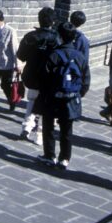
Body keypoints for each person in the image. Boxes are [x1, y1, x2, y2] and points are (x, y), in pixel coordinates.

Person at [36, 23, 90, 169]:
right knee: (67, 130)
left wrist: (47, 93)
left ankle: (50, 156)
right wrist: (76, 94)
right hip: (71, 99)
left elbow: (42, 77)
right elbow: (86, 81)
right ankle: (64, 158)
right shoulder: (80, 57)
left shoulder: (53, 55)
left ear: (60, 36)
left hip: (53, 97)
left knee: (49, 127)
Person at [17, 7, 59, 142]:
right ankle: (40, 134)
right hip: (49, 77)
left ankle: (26, 127)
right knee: (46, 104)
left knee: (31, 101)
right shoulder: (57, 38)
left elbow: (21, 55)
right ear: (53, 22)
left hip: (32, 75)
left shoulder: (30, 36)